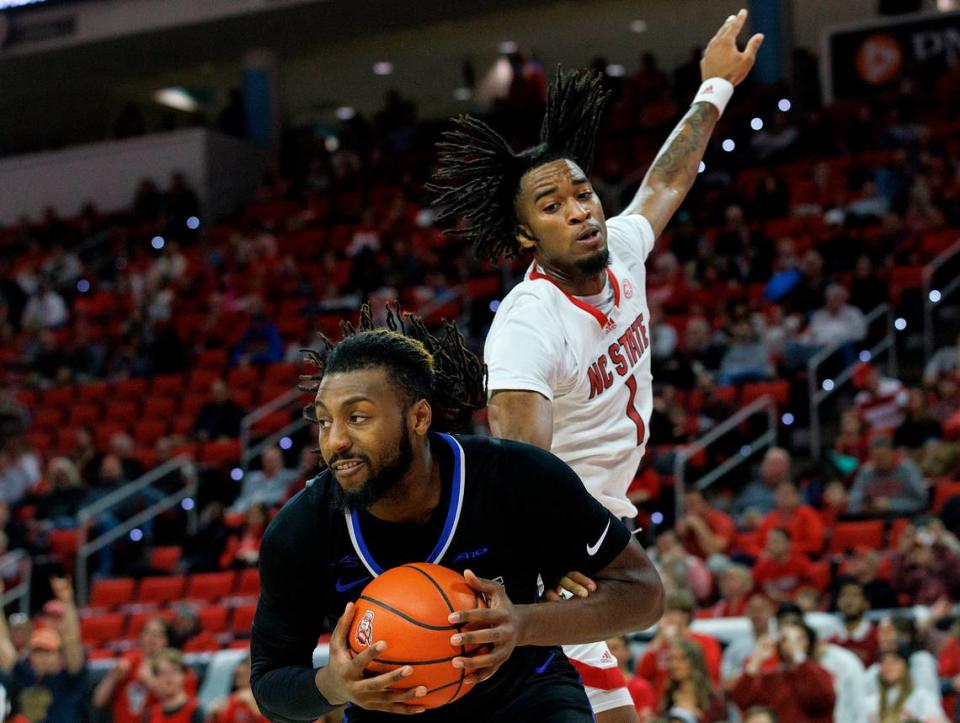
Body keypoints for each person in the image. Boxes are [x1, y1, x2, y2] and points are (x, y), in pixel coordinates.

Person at [430, 12, 762, 721]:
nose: (580, 210)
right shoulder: (528, 327)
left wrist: (712, 91)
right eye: (552, 205)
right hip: (558, 551)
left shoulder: (621, 247)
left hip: (593, 528)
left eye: (581, 192)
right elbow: (516, 471)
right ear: (526, 233)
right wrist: (540, 572)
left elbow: (666, 183)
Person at [249, 307, 665, 722]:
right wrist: (334, 686)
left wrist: (522, 623)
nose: (335, 441)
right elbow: (269, 686)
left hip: (528, 700)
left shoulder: (514, 476)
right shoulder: (300, 532)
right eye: (324, 421)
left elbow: (644, 593)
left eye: (357, 418)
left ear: (418, 417)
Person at [1, 578, 86, 723]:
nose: (41, 657)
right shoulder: (23, 674)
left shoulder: (68, 677)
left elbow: (72, 641)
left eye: (47, 651)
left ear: (58, 655)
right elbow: (3, 644)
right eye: (37, 651)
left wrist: (67, 601)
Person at [93, 615, 199, 723]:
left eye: (158, 635)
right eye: (147, 633)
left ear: (168, 640)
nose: (151, 638)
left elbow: (184, 709)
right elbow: (98, 701)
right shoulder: (128, 662)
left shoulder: (179, 669)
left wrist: (151, 681)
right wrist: (113, 676)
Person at [730, 622, 836, 723]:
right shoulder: (771, 678)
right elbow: (742, 701)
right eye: (785, 639)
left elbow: (823, 699)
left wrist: (799, 657)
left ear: (808, 642)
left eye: (799, 638)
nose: (791, 643)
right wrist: (756, 660)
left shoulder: (821, 673)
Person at [636, 591, 722, 699]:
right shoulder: (660, 643)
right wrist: (658, 640)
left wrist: (674, 643)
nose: (665, 618)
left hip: (696, 699)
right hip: (663, 704)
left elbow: (708, 673)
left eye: (669, 612)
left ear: (685, 616)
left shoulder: (705, 641)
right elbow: (641, 675)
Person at [864, 646, 947, 723]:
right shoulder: (870, 703)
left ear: (905, 665)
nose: (888, 666)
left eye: (894, 661)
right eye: (883, 662)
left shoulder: (922, 697)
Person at [847, 435, 926, 516]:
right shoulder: (866, 472)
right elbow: (852, 504)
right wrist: (864, 507)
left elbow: (921, 502)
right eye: (876, 458)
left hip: (902, 518)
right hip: (872, 519)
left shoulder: (907, 469)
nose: (879, 462)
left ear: (892, 453)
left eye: (883, 457)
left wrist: (890, 504)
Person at [658, 639, 727, 723]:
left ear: (694, 661)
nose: (674, 664)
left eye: (681, 658)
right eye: (671, 659)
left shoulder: (712, 699)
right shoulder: (669, 694)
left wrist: (698, 716)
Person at [755, 481, 824, 557]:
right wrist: (760, 553)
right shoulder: (770, 517)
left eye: (788, 494)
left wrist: (785, 549)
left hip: (801, 558)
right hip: (771, 560)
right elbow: (757, 542)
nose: (784, 497)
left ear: (797, 496)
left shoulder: (808, 514)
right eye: (780, 494)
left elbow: (815, 544)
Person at [751, 529, 816, 602]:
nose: (771, 545)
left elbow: (812, 589)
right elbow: (752, 590)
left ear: (789, 544)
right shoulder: (761, 566)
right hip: (769, 608)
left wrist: (788, 597)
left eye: (776, 541)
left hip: (796, 605)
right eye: (769, 542)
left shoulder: (801, 563)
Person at [143, 648, 203, 723]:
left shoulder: (195, 711)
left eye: (174, 671)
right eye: (163, 673)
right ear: (156, 679)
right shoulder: (151, 715)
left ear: (183, 675)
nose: (169, 678)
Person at [733, 448, 791, 526]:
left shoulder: (791, 493)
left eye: (779, 465)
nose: (776, 470)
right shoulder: (750, 490)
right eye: (772, 464)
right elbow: (734, 516)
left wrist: (765, 522)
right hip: (748, 532)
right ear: (763, 466)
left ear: (786, 469)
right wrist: (744, 521)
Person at [229, 447, 297, 514]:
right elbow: (243, 498)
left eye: (273, 460)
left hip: (269, 512)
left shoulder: (289, 477)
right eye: (267, 460)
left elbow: (282, 498)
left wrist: (257, 503)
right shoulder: (252, 477)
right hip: (246, 511)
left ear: (281, 461)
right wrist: (234, 510)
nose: (270, 463)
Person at [828, 579, 878, 667]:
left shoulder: (877, 638)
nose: (849, 600)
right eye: (844, 595)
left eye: (855, 595)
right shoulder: (831, 642)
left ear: (866, 603)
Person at [676, 490, 735, 562]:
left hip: (729, 564)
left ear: (706, 503)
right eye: (685, 506)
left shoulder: (722, 520)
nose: (688, 509)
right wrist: (680, 536)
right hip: (698, 566)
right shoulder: (686, 525)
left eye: (692, 504)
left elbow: (714, 552)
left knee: (715, 561)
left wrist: (698, 525)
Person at [208, 654, 269, 723]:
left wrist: (254, 708)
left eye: (244, 674)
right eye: (237, 676)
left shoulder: (264, 697)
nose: (239, 680)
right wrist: (214, 716)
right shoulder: (232, 699)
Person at [605, 636, 655, 717]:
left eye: (614, 648)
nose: (609, 653)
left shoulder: (641, 687)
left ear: (627, 652)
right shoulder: (592, 685)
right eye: (606, 648)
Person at [853, 363, 909, 433]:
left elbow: (906, 413)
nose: (865, 385)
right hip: (876, 436)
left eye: (867, 380)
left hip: (899, 431)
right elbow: (864, 425)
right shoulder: (860, 400)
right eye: (863, 384)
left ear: (873, 373)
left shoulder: (895, 387)